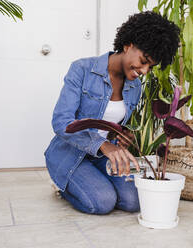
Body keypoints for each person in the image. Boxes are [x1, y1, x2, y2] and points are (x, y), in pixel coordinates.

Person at [44, 11, 180, 214]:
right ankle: (62, 184)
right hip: (69, 155)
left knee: (134, 201)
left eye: (150, 67)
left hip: (103, 158)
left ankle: (91, 182)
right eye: (144, 61)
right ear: (128, 45)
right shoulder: (82, 69)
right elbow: (61, 121)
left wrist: (124, 136)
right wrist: (104, 145)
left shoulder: (135, 87)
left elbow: (114, 125)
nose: (144, 70)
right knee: (103, 202)